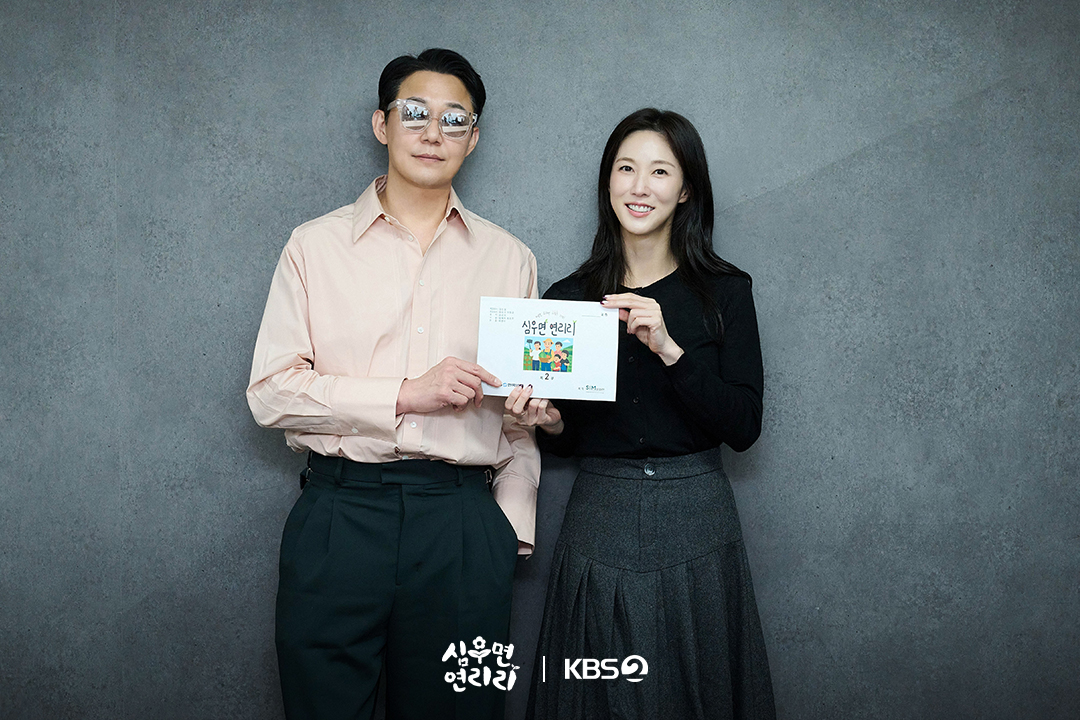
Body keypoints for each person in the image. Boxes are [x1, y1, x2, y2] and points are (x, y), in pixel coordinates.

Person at [247, 48, 539, 720]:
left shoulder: (511, 258)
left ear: (473, 137)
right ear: (382, 124)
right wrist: (405, 393)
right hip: (339, 516)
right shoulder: (312, 246)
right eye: (415, 114)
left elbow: (517, 421)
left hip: (462, 526)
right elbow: (270, 393)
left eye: (454, 119)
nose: (434, 132)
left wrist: (507, 529)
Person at [506, 108, 775, 719]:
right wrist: (547, 422)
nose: (640, 186)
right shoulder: (568, 300)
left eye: (660, 171)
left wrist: (671, 351)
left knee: (699, 690)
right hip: (599, 510)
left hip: (697, 511)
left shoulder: (726, 291)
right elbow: (571, 436)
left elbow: (744, 426)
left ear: (685, 190)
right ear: (608, 181)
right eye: (626, 168)